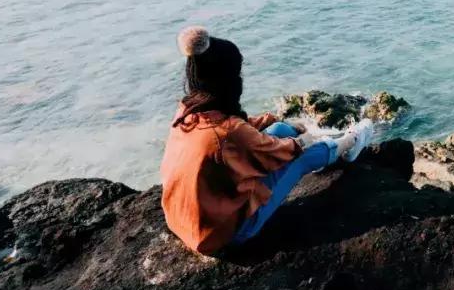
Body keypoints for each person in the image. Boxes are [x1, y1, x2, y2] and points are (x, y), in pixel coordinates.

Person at [160, 25, 374, 255]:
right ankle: (350, 143)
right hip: (224, 236)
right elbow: (287, 150)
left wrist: (280, 124)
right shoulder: (229, 133)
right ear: (227, 80)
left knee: (280, 128)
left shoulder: (187, 112)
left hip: (184, 223)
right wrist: (304, 140)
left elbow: (236, 132)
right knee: (300, 160)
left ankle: (325, 148)